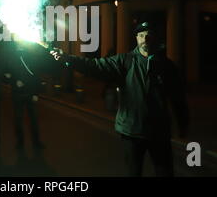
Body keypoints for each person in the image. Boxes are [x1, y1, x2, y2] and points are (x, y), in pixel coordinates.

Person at [50, 21, 190, 177]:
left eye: (149, 35)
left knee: (165, 173)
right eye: (141, 35)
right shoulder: (125, 61)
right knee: (133, 173)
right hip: (131, 132)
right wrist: (68, 59)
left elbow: (178, 97)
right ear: (136, 38)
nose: (145, 39)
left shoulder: (167, 66)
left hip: (159, 133)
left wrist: (183, 124)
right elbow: (95, 65)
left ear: (156, 38)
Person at [7, 41, 47, 150]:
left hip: (30, 93)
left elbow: (36, 75)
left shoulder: (31, 56)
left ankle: (36, 141)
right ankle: (20, 142)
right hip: (18, 94)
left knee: (33, 120)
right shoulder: (12, 57)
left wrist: (35, 93)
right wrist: (14, 81)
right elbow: (8, 74)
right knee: (18, 120)